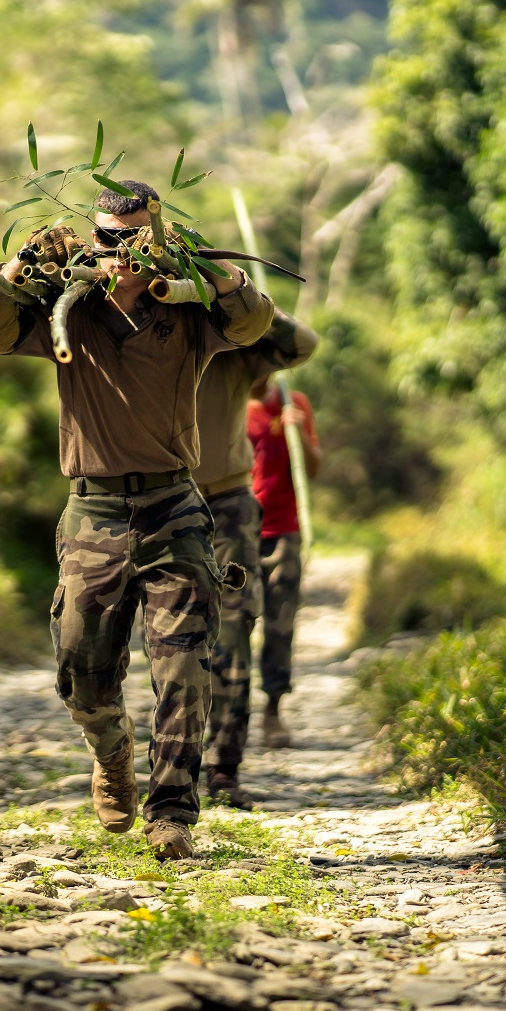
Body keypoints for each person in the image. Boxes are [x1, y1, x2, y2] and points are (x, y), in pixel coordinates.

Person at [0, 180, 272, 860]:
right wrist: (25, 258)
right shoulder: (65, 313)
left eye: (139, 236)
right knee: (81, 666)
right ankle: (111, 752)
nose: (125, 252)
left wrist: (201, 263)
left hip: (174, 508)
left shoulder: (189, 312)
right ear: (92, 240)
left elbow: (252, 321)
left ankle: (173, 814)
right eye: (111, 239)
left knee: (185, 668)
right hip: (94, 511)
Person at [193, 307, 318, 805]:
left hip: (266, 524)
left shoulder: (283, 392)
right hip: (186, 510)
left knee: (258, 625)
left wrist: (243, 296)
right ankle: (175, 762)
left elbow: (299, 344)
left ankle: (241, 743)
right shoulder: (234, 398)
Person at [247, 374, 320, 749]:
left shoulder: (295, 403)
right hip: (238, 529)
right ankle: (230, 715)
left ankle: (273, 710)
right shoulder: (230, 404)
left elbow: (314, 467)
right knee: (233, 624)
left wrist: (301, 433)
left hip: (285, 530)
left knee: (281, 621)